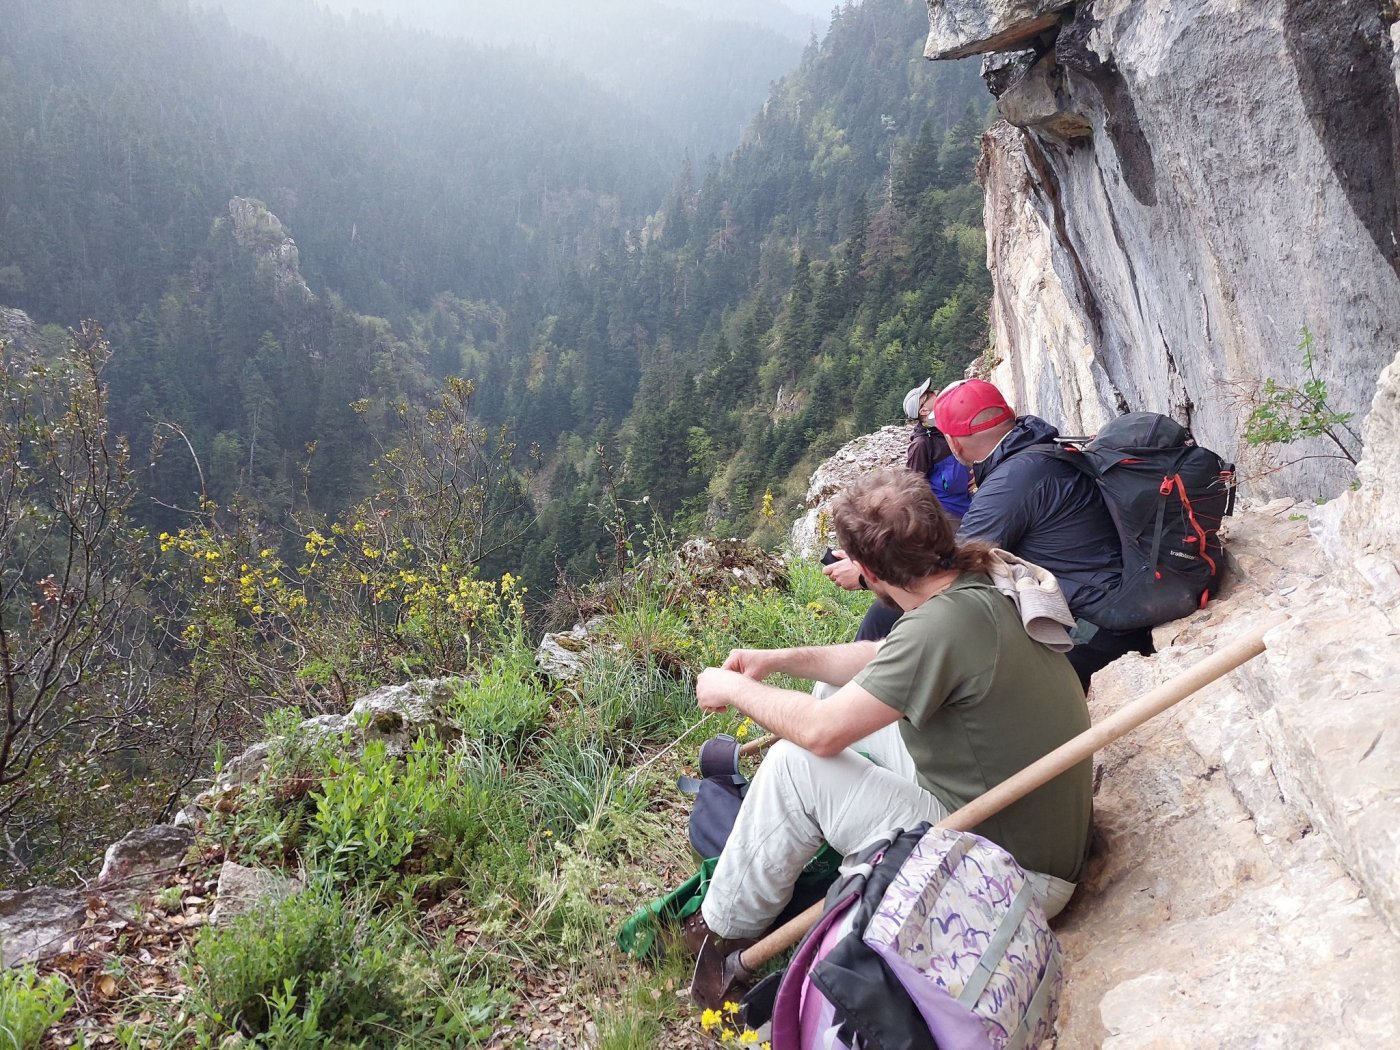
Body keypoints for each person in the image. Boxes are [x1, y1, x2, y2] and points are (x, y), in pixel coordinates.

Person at [685, 469, 1092, 1005]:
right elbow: (881, 660)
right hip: (1022, 823)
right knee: (836, 695)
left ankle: (720, 932)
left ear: (871, 572)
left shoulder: (938, 627)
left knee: (795, 761)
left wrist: (731, 687)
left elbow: (820, 734)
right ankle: (767, 873)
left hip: (1012, 874)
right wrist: (778, 661)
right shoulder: (977, 580)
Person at [932, 378, 1154, 688]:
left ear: (954, 442)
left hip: (1099, 626)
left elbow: (956, 569)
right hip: (1117, 603)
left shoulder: (1010, 481)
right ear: (1010, 414)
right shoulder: (1041, 450)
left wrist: (869, 575)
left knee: (981, 689)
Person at [824, 377, 972, 641]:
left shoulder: (943, 432)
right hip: (947, 517)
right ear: (924, 411)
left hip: (964, 509)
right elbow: (914, 489)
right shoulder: (922, 445)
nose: (936, 393)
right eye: (930, 395)